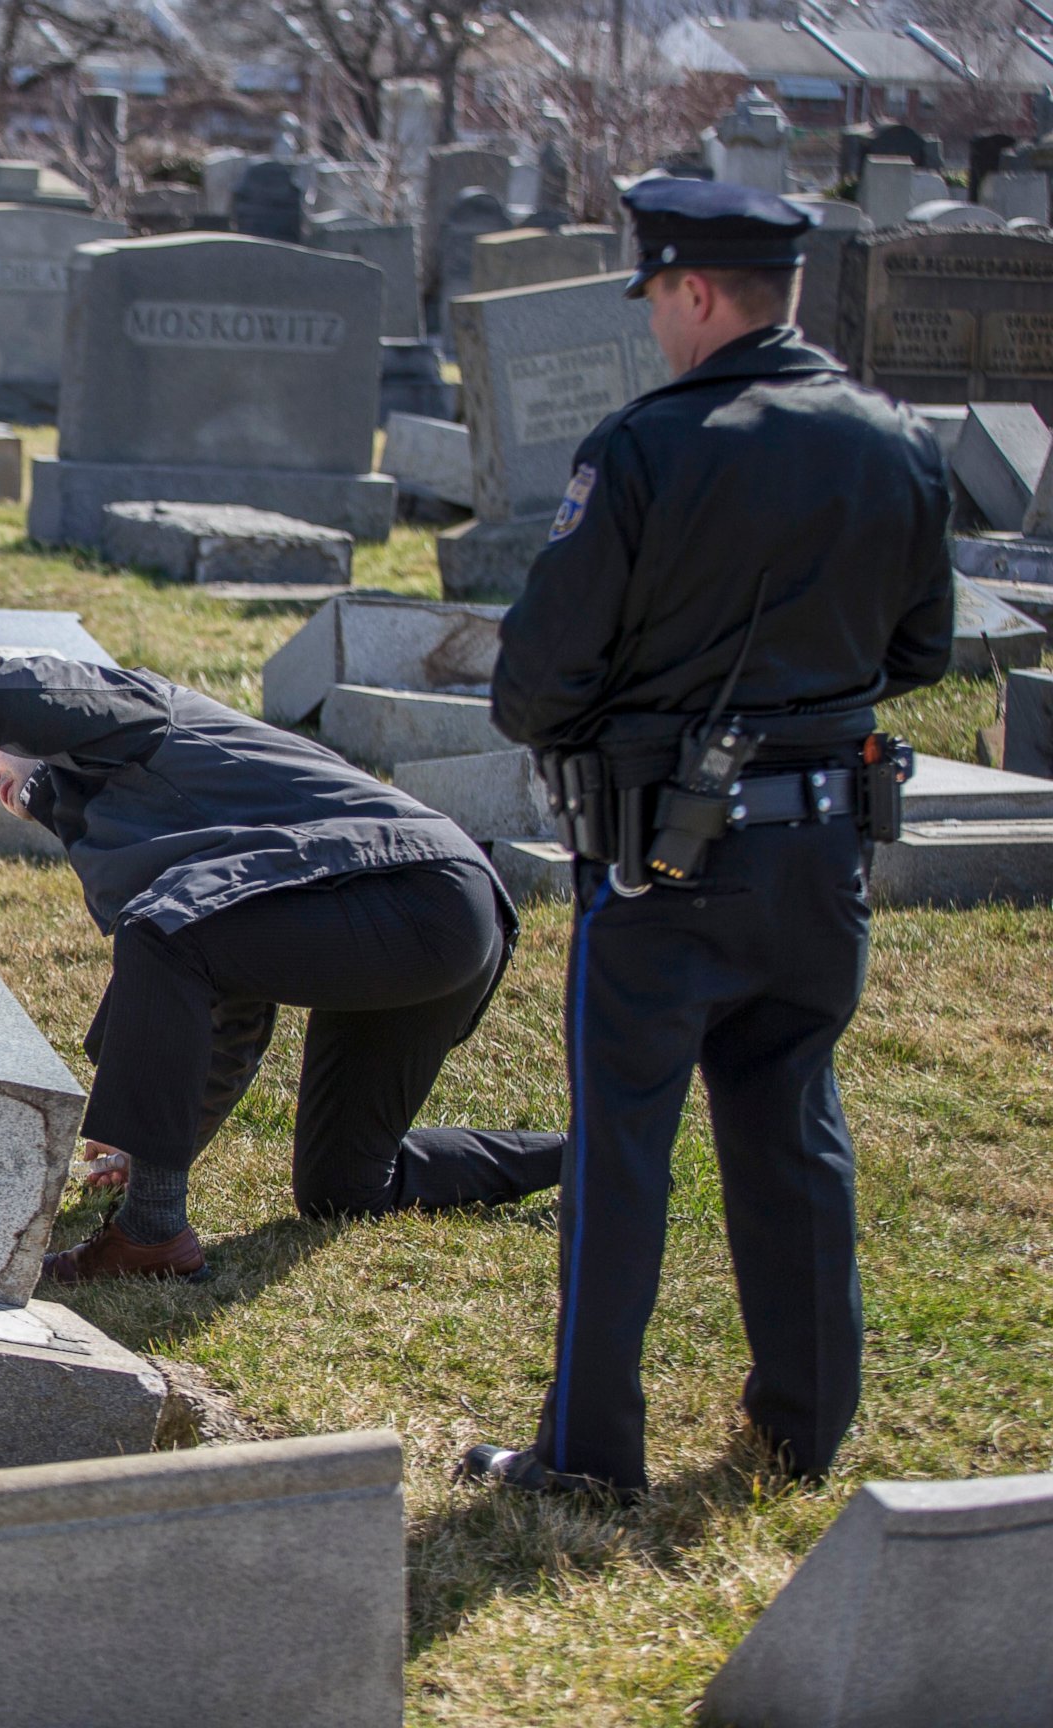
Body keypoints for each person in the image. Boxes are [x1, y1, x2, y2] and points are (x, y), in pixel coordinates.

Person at [459, 178, 954, 1502]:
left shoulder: (647, 448)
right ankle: (804, 1431)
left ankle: (587, 1456)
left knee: (624, 1153)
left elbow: (534, 688)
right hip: (827, 851)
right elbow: (922, 648)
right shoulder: (897, 441)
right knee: (795, 1130)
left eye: (660, 303)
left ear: (692, 293)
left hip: (664, 860)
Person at [0, 655, 566, 1284]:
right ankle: (580, 1156)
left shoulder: (124, 709)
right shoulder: (111, 827)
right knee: (346, 1186)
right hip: (427, 919)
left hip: (417, 894)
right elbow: (232, 999)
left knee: (166, 934)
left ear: (26, 732)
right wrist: (163, 1137)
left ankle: (152, 1238)